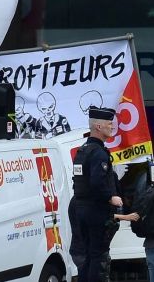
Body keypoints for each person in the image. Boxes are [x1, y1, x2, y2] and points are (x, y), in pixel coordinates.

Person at [69, 106, 121, 282]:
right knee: (97, 256)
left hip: (81, 208)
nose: (112, 126)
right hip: (95, 210)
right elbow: (97, 182)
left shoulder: (82, 151)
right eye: (109, 123)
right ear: (98, 127)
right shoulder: (99, 153)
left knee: (88, 256)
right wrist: (111, 197)